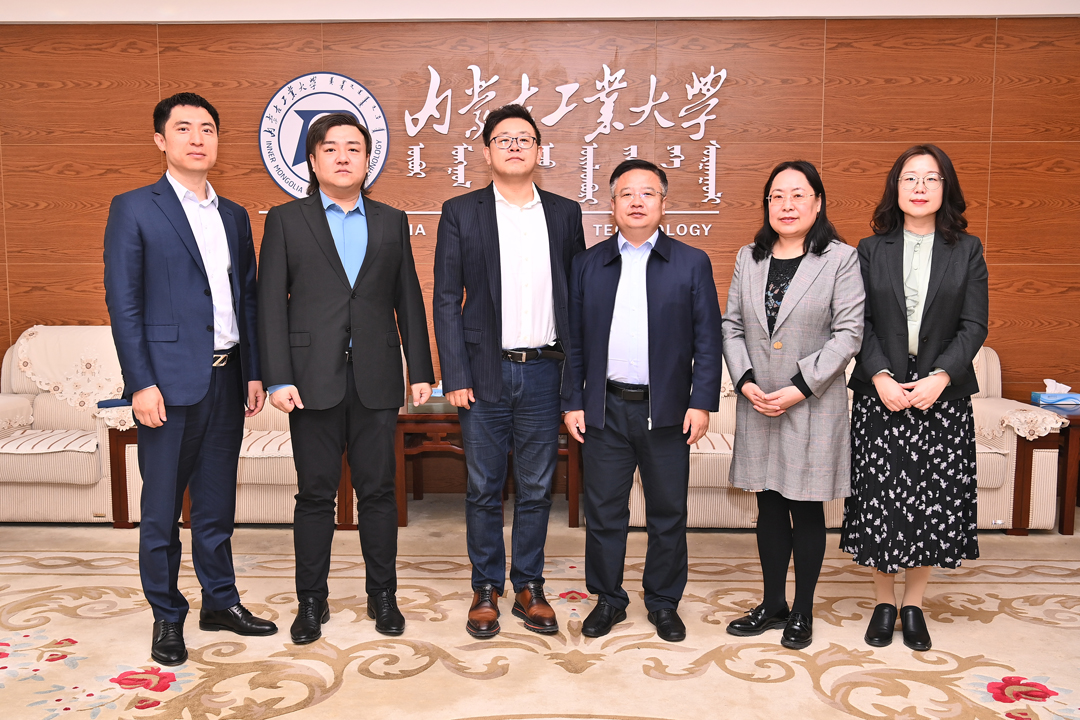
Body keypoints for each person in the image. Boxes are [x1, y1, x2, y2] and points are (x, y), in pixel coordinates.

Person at [103, 93, 277, 666]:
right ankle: (167, 614)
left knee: (216, 506)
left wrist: (253, 372)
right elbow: (124, 303)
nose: (197, 138)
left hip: (227, 380)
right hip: (166, 385)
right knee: (160, 511)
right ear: (161, 140)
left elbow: (246, 298)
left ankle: (220, 602)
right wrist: (140, 382)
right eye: (183, 128)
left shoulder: (234, 215)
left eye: (207, 128)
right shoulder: (134, 208)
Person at [258, 113, 434, 644]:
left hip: (376, 377)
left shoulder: (391, 220)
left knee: (379, 493)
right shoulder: (286, 220)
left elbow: (408, 296)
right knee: (315, 496)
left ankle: (383, 595)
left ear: (367, 160)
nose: (342, 156)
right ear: (312, 161)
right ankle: (311, 601)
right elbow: (270, 303)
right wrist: (277, 377)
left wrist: (421, 369)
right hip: (310, 380)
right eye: (330, 148)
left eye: (353, 148)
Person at [433, 104, 585, 639]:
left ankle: (529, 586)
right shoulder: (461, 211)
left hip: (545, 370)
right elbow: (446, 298)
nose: (515, 145)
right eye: (504, 138)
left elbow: (576, 300)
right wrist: (455, 374)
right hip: (483, 373)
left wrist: (575, 382)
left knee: (538, 487)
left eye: (525, 138)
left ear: (539, 150)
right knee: (483, 486)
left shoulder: (564, 213)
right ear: (487, 151)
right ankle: (485, 587)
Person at [563, 159, 723, 642]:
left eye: (647, 193)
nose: (637, 201)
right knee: (604, 512)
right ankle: (608, 599)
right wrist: (573, 402)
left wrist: (701, 402)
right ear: (612, 205)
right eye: (626, 193)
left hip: (667, 411)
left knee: (668, 513)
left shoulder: (691, 262)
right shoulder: (587, 264)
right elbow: (573, 342)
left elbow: (708, 340)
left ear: (663, 203)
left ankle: (663, 602)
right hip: (605, 409)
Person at [841, 145, 988, 652]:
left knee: (930, 501)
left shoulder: (967, 249)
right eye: (910, 178)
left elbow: (974, 325)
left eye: (931, 178)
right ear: (895, 188)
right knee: (879, 499)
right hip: (880, 391)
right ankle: (884, 603)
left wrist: (941, 376)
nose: (920, 187)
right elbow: (857, 321)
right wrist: (880, 374)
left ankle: (914, 605)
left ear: (946, 188)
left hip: (940, 394)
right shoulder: (869, 249)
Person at [722, 160, 864, 650]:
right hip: (759, 400)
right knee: (767, 505)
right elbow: (731, 326)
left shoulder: (841, 259)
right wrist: (744, 381)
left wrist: (801, 386)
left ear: (817, 202)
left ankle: (802, 610)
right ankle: (772, 604)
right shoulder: (749, 257)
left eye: (798, 195)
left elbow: (849, 333)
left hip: (811, 402)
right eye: (776, 196)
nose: (786, 205)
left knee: (805, 507)